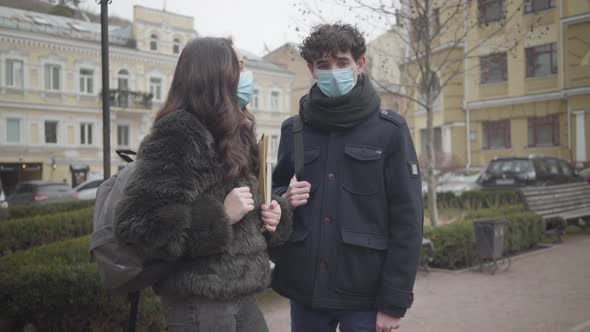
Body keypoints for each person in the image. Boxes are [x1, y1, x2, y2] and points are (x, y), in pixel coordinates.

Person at [114, 37, 293, 332]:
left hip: (244, 293)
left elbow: (248, 208)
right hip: (200, 300)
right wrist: (219, 218)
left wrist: (276, 215)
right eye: (240, 67)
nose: (246, 76)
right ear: (216, 75)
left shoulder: (239, 131)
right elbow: (139, 224)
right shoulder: (178, 133)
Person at [271, 23, 423, 332]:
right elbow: (273, 195)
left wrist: (394, 302)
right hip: (306, 293)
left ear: (360, 63)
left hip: (365, 297)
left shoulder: (390, 131)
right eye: (323, 65)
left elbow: (408, 219)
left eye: (342, 63)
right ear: (311, 69)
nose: (333, 72)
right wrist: (283, 200)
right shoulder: (294, 131)